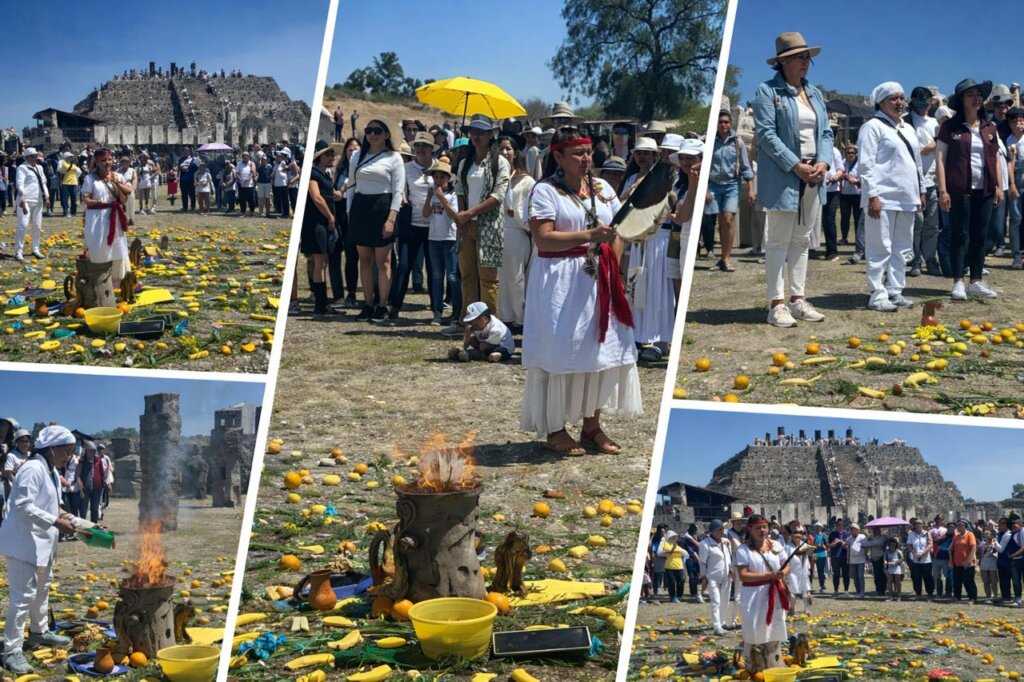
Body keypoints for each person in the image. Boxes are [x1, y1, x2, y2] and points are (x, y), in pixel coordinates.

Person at [520, 130, 640, 456]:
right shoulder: (545, 191)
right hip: (560, 280)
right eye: (577, 153)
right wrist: (589, 236)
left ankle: (591, 426)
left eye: (587, 152)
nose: (585, 159)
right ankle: (555, 428)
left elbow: (617, 231)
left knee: (598, 350)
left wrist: (612, 268)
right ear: (558, 157)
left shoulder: (602, 189)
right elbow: (543, 238)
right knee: (560, 348)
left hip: (599, 278)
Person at [752, 32, 832, 327]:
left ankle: (798, 299)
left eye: (806, 57)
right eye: (798, 57)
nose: (805, 62)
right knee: (778, 239)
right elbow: (766, 134)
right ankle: (776, 304)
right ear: (783, 61)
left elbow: (826, 132)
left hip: (814, 174)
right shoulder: (767, 91)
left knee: (802, 239)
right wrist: (795, 165)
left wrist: (823, 161)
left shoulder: (815, 94)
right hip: (784, 175)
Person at [0, 425, 78, 675]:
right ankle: (11, 649)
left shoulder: (52, 471)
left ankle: (39, 631)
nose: (69, 456)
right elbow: (23, 506)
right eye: (66, 451)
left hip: (42, 543)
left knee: (42, 589)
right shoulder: (32, 469)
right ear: (52, 448)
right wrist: (56, 522)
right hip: (23, 542)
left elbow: (55, 507)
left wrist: (82, 523)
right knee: (22, 597)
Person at [857, 81, 925, 311]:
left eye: (901, 98)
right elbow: (866, 164)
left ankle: (895, 290)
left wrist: (921, 190)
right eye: (893, 98)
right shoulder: (872, 127)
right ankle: (877, 294)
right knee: (880, 247)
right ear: (881, 102)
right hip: (883, 196)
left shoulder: (908, 128)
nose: (899, 102)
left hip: (907, 196)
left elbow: (916, 163)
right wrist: (872, 195)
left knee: (902, 247)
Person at [935, 78, 1002, 301]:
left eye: (979, 95)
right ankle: (958, 281)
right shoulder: (949, 127)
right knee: (959, 234)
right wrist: (943, 190)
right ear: (961, 100)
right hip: (959, 189)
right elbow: (940, 159)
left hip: (985, 189)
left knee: (980, 235)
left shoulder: (989, 128)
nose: (976, 99)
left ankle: (976, 281)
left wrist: (999, 186)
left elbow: (996, 158)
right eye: (970, 95)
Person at [347, 120, 405, 323]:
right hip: (361, 206)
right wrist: (350, 213)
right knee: (364, 260)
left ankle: (382, 304)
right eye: (369, 130)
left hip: (383, 206)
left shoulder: (394, 157)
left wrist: (391, 219)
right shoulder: (357, 155)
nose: (372, 134)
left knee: (383, 261)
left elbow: (398, 191)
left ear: (387, 134)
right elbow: (352, 186)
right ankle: (368, 304)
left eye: (377, 130)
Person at [455, 114, 511, 322]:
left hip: (489, 226)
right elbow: (460, 190)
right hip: (467, 225)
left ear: (490, 135)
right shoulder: (465, 163)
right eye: (473, 132)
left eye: (481, 132)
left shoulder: (499, 162)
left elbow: (498, 196)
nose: (476, 136)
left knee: (488, 278)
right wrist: (462, 215)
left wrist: (469, 213)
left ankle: (490, 323)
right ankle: (469, 321)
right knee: (467, 276)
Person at [389, 132, 437, 320]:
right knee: (404, 266)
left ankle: (436, 308)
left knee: (433, 269)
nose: (420, 149)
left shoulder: (440, 168)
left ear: (432, 149)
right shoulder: (406, 168)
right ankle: (395, 305)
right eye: (417, 145)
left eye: (425, 146)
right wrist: (403, 198)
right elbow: (399, 189)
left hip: (434, 226)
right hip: (411, 224)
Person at [735, 514, 789, 672]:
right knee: (754, 625)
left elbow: (787, 564)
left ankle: (773, 660)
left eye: (764, 527)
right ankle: (755, 662)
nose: (762, 530)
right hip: (753, 594)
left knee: (774, 623)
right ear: (750, 529)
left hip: (774, 592)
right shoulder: (743, 549)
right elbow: (743, 575)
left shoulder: (775, 545)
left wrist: (782, 573)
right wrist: (768, 575)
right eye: (758, 528)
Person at [706, 109, 754, 272]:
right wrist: (705, 189)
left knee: (728, 219)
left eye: (726, 122)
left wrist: (751, 189)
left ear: (731, 124)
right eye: (720, 122)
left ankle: (727, 258)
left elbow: (746, 167)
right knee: (720, 220)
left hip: (731, 184)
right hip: (713, 184)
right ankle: (722, 258)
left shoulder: (738, 142)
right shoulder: (710, 141)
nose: (723, 125)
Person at [498, 138, 536, 331]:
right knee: (501, 278)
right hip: (499, 231)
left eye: (508, 149)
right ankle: (504, 316)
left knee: (516, 278)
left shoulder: (527, 181)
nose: (504, 153)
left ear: (515, 152)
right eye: (501, 149)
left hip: (517, 231)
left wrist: (516, 214)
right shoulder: (497, 178)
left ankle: (520, 316)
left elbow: (532, 211)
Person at [81, 149, 133, 287]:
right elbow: (86, 199)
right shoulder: (90, 178)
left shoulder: (117, 176)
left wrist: (117, 183)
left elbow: (128, 192)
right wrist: (97, 202)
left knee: (117, 245)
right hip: (97, 217)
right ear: (97, 162)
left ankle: (117, 277)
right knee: (99, 245)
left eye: (109, 160)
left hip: (115, 216)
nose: (107, 163)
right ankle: (99, 276)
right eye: (103, 160)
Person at [301, 141, 340, 315]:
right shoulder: (313, 173)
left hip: (323, 223)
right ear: (319, 157)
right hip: (316, 223)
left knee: (322, 262)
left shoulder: (325, 175)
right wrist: (330, 216)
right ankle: (320, 303)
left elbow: (326, 194)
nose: (332, 158)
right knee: (319, 263)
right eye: (328, 155)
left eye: (332, 155)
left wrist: (335, 194)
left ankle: (322, 303)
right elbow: (316, 197)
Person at [906, 86, 941, 276]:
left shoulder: (935, 123)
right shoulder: (904, 122)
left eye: (926, 99)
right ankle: (916, 259)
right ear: (912, 101)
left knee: (932, 224)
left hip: (932, 179)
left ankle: (930, 258)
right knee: (916, 223)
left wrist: (933, 144)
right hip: (912, 181)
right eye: (918, 99)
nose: (923, 103)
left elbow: (942, 141)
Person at [424, 159, 461, 326]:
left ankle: (457, 312)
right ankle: (437, 311)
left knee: (452, 276)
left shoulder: (453, 195)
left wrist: (442, 200)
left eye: (442, 177)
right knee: (437, 276)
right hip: (434, 238)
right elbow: (425, 214)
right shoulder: (432, 194)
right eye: (436, 177)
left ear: (448, 178)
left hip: (450, 238)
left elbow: (454, 215)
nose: (438, 180)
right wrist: (429, 198)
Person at [448, 301, 514, 362]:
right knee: (473, 341)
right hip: (485, 344)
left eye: (476, 324)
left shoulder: (496, 330)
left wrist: (469, 349)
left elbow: (483, 347)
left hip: (503, 348)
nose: (473, 325)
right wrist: (467, 335)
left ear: (485, 319)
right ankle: (462, 354)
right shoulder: (479, 326)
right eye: (471, 322)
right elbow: (468, 345)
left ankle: (464, 355)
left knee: (488, 353)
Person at [14, 148, 49, 262]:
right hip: (25, 201)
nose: (35, 158)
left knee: (37, 226)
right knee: (23, 225)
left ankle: (35, 249)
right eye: (33, 156)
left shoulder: (39, 168)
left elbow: (43, 182)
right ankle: (18, 251)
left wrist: (47, 196)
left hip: (38, 200)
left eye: (36, 156)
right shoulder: (22, 168)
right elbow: (19, 183)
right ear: (27, 157)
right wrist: (22, 195)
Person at [699, 519, 732, 634]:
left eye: (722, 529)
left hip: (727, 575)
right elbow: (702, 562)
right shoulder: (705, 544)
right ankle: (717, 626)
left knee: (725, 600)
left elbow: (729, 557)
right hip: (712, 577)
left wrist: (731, 568)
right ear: (712, 531)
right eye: (719, 529)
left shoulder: (726, 542)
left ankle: (722, 622)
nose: (721, 531)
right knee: (716, 601)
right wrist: (703, 577)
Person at [74, 441, 107, 524]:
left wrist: (104, 484)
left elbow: (102, 473)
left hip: (97, 488)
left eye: (93, 451)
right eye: (90, 451)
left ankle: (94, 525)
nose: (92, 453)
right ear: (86, 451)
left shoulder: (98, 460)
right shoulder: (82, 461)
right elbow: (77, 475)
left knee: (95, 508)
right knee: (83, 508)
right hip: (85, 488)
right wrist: (81, 488)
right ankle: (83, 525)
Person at [783, 530, 813, 614]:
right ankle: (792, 608)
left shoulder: (805, 545)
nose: (798, 535)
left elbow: (809, 555)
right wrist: (785, 572)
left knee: (806, 592)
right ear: (791, 535)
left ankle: (806, 609)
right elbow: (784, 560)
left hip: (803, 571)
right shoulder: (787, 546)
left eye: (800, 534)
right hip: (792, 571)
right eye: (795, 533)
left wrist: (810, 552)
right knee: (792, 592)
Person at [838, 144, 862, 252]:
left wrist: (855, 180)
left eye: (852, 153)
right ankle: (844, 238)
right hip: (845, 194)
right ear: (845, 154)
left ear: (856, 154)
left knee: (858, 218)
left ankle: (858, 239)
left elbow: (862, 177)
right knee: (844, 217)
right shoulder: (842, 163)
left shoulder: (859, 164)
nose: (850, 155)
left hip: (857, 194)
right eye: (848, 153)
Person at [949, 518, 978, 604]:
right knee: (957, 581)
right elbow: (950, 549)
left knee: (968, 581)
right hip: (957, 563)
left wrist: (969, 560)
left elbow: (973, 548)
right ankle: (957, 597)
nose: (959, 527)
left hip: (968, 563)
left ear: (965, 526)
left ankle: (972, 598)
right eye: (957, 525)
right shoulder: (956, 536)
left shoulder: (970, 535)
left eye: (961, 525)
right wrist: (951, 561)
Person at [906, 518, 934, 599]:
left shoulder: (927, 533)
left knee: (927, 577)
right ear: (914, 525)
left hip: (926, 559)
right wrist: (914, 553)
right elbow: (908, 545)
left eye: (920, 523)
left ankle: (930, 593)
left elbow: (930, 544)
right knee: (916, 577)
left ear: (923, 525)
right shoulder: (911, 534)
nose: (918, 525)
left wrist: (923, 553)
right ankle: (918, 593)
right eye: (917, 524)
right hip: (915, 559)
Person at [657, 530, 687, 603]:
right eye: (673, 536)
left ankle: (679, 596)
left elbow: (686, 554)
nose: (674, 538)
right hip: (669, 567)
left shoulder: (677, 545)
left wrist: (680, 552)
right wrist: (669, 552)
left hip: (679, 566)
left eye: (675, 537)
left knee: (680, 582)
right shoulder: (664, 543)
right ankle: (672, 596)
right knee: (672, 582)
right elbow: (659, 553)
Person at [845, 523, 868, 598]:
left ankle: (862, 592)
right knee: (855, 577)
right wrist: (848, 558)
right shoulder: (850, 538)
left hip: (861, 560)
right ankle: (858, 592)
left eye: (853, 529)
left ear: (858, 530)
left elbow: (866, 548)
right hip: (852, 560)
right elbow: (845, 545)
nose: (852, 530)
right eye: (851, 529)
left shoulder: (862, 537)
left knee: (860, 576)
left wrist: (863, 550)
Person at [828, 519, 850, 594]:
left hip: (844, 557)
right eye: (839, 524)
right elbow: (829, 546)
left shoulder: (846, 534)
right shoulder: (832, 534)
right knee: (836, 575)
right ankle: (836, 590)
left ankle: (846, 590)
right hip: (835, 557)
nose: (840, 526)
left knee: (846, 574)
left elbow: (849, 547)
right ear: (836, 525)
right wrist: (836, 543)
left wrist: (842, 543)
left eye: (842, 524)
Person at [980, 529, 1001, 601]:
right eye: (985, 534)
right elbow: (980, 554)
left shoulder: (994, 543)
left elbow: (998, 551)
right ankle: (988, 596)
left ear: (991, 535)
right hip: (984, 564)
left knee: (994, 581)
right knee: (986, 581)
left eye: (988, 534)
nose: (986, 535)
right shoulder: (982, 544)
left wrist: (994, 553)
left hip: (992, 563)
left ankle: (995, 595)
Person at [177, 146, 199, 212]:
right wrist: (177, 177)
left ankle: (193, 207)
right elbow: (179, 169)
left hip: (191, 179)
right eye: (184, 151)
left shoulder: (195, 160)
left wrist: (197, 179)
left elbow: (197, 170)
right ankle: (185, 207)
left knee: (192, 194)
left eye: (187, 151)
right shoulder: (181, 160)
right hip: (183, 179)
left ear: (189, 152)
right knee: (184, 194)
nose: (185, 152)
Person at [58, 152, 80, 217]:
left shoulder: (74, 164)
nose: (70, 158)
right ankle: (66, 212)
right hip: (65, 183)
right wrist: (73, 167)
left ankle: (73, 212)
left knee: (74, 198)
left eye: (71, 157)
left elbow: (79, 171)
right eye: (69, 157)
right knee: (65, 199)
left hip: (74, 183)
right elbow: (66, 168)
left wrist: (76, 176)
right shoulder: (63, 162)